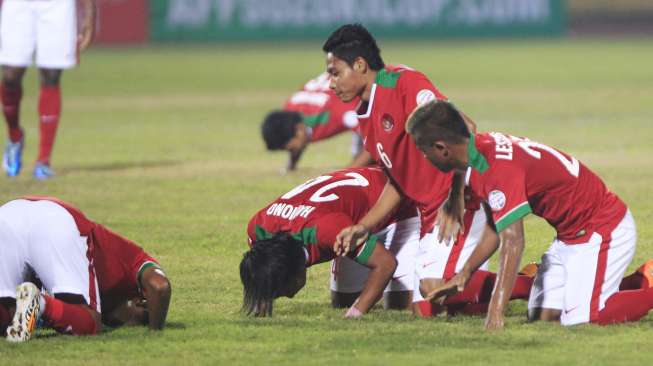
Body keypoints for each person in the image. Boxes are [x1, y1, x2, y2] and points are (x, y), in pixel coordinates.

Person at [406, 100, 653, 330]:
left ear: (441, 148)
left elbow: (514, 241)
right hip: (569, 237)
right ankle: (633, 281)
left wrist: (496, 310)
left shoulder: (495, 169)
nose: (423, 157)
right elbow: (496, 228)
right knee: (544, 316)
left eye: (423, 150)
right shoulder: (480, 151)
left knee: (584, 320)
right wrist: (465, 273)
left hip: (602, 228)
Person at [321, 23, 487, 316]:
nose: (330, 83)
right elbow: (397, 182)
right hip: (428, 214)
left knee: (434, 296)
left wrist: (458, 196)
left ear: (360, 64)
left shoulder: (401, 83)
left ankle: (529, 283)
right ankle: (493, 285)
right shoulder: (365, 113)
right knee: (424, 308)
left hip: (460, 205)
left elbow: (466, 129)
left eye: (335, 72)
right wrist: (363, 227)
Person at [241, 167, 420, 317]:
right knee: (343, 302)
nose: (287, 295)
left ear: (296, 271)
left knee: (402, 305)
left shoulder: (327, 231)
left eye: (282, 289)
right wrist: (261, 300)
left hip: (397, 208)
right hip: (352, 214)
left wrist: (356, 313)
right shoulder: (258, 228)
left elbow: (386, 264)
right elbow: (263, 265)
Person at [0, 197, 171, 342]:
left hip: (8, 214)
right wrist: (155, 330)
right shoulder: (133, 261)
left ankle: (36, 304)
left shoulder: (110, 289)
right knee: (90, 324)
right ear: (140, 299)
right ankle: (40, 303)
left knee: (7, 314)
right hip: (56, 220)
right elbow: (160, 286)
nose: (135, 320)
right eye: (144, 314)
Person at [0, 0, 95, 179]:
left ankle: (43, 161)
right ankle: (14, 136)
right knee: (11, 75)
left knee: (51, 74)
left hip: (57, 5)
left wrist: (89, 14)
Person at [261, 72, 372, 173]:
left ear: (299, 129)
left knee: (369, 155)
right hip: (334, 86)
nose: (292, 151)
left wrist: (347, 173)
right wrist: (291, 166)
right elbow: (297, 140)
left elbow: (375, 139)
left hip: (363, 85)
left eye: (291, 148)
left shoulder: (342, 114)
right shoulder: (291, 112)